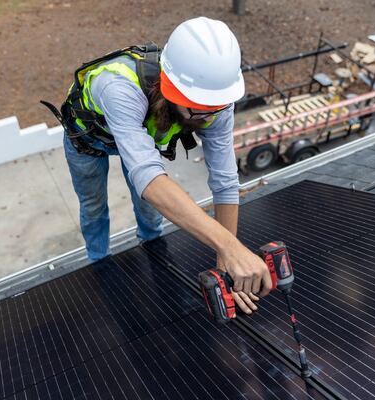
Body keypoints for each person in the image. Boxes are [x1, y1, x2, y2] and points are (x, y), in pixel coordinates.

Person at [49, 17, 272, 314]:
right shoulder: (118, 86)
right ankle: (99, 261)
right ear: (170, 89)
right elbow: (148, 177)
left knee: (150, 209)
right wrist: (229, 247)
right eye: (199, 110)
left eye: (215, 109)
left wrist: (226, 254)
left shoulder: (216, 98)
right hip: (88, 142)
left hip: (138, 135)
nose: (208, 119)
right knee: (93, 205)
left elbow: (225, 178)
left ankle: (152, 247)